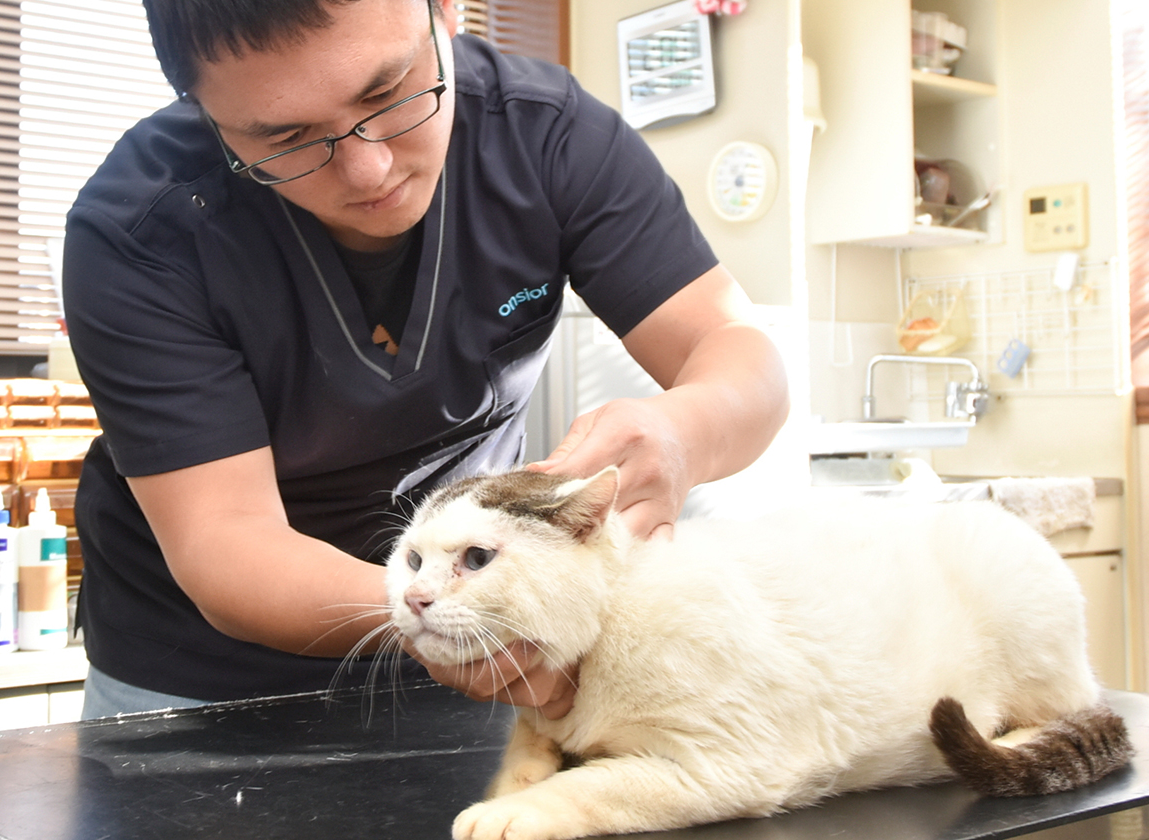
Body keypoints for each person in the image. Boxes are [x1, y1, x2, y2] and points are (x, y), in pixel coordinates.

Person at [61, 0, 788, 719]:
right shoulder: (138, 231)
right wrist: (440, 614)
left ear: (445, 14)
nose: (369, 168)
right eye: (285, 137)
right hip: (193, 684)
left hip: (468, 633)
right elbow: (228, 545)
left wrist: (683, 429)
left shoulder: (548, 136)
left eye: (387, 91)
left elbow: (737, 354)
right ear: (203, 110)